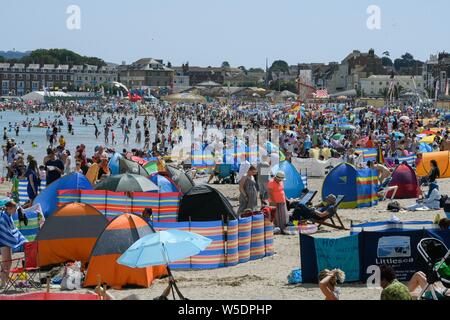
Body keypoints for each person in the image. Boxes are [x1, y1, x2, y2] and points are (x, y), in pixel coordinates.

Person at [0, 201, 27, 288]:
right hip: (2, 241)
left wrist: (22, 239)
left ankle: (6, 280)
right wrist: (15, 239)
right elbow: (6, 232)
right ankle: (3, 283)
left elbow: (13, 230)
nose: (16, 211)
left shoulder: (9, 215)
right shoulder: (3, 217)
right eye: (15, 209)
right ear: (10, 208)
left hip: (7, 241)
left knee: (9, 261)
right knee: (5, 261)